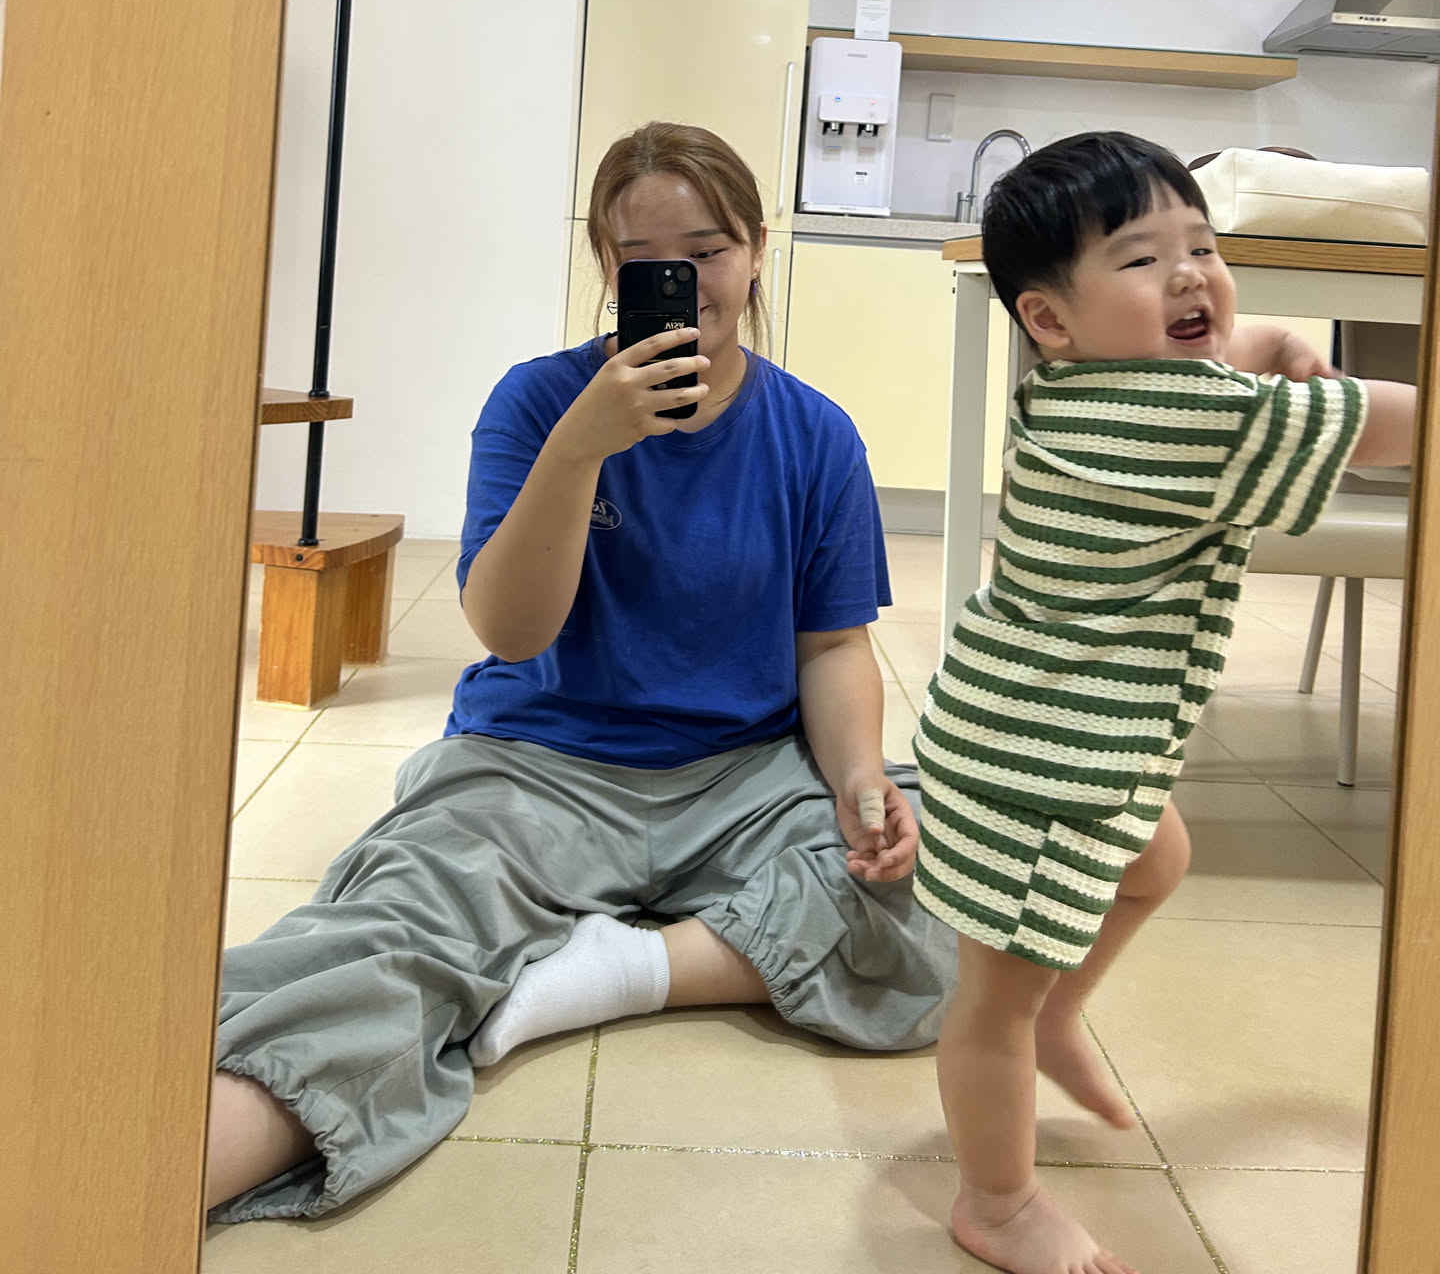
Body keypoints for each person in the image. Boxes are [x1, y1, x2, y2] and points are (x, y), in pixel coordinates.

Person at [206, 120, 955, 1223]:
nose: (681, 282)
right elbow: (511, 633)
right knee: (388, 935)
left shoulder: (817, 436)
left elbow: (833, 646)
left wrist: (856, 782)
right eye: (643, 259)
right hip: (537, 763)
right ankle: (130, 1176)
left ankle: (615, 973)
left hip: (741, 775)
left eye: (708, 252)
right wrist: (580, 447)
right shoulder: (535, 401)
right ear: (607, 267)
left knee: (937, 885)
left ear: (757, 252)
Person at [912, 130, 1415, 1274]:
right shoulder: (1187, 420)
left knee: (1158, 858)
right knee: (989, 1000)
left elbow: (1225, 350)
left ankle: (1055, 1016)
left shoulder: (1078, 384)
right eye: (1143, 260)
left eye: (1203, 246)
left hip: (1036, 725)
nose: (1191, 276)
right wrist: (1291, 363)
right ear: (1049, 316)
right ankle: (995, 1201)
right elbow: (1385, 426)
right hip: (1046, 760)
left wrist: (1269, 340)